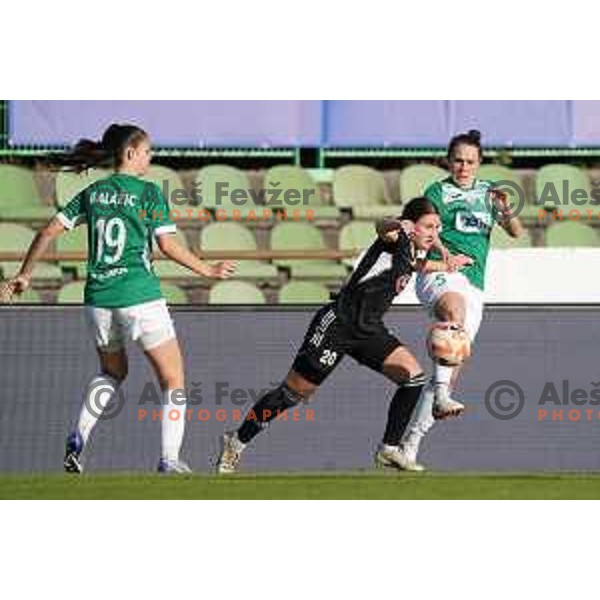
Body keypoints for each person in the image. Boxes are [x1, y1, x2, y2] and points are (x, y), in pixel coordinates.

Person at [4, 123, 235, 474]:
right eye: (146, 151)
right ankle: (170, 459)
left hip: (98, 299)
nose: (150, 157)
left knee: (112, 371)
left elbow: (48, 231)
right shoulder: (148, 193)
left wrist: (25, 274)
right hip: (139, 295)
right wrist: (207, 271)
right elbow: (168, 246)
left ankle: (78, 436)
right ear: (130, 154)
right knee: (173, 379)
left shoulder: (94, 192)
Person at [216, 196, 472, 474]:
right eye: (428, 227)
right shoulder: (395, 238)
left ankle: (389, 449)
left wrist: (447, 264)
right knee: (292, 394)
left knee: (413, 378)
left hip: (369, 330)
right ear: (411, 225)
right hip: (338, 324)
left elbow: (416, 265)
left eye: (437, 228)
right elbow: (381, 227)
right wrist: (398, 223)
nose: (434, 234)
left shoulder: (413, 251)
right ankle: (237, 440)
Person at [398, 130, 525, 469]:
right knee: (452, 311)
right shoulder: (437, 192)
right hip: (441, 273)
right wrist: (445, 256)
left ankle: (409, 444)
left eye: (470, 161)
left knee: (451, 363)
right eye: (458, 160)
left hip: (475, 283)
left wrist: (505, 209)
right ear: (448, 161)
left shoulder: (489, 192)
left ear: (479, 162)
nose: (464, 166)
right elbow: (422, 234)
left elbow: (516, 232)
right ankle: (441, 396)